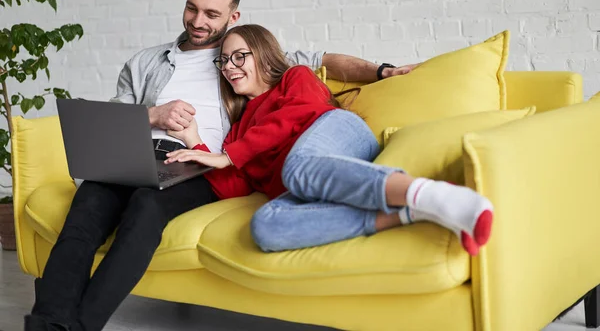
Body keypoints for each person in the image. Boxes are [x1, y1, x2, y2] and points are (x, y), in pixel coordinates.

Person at [25, 0, 419, 331]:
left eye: (212, 14)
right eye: (192, 8)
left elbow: (323, 62)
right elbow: (111, 118)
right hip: (135, 150)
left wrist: (382, 71)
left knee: (146, 207)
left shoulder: (244, 57)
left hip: (196, 164)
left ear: (233, 16)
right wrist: (154, 114)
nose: (198, 22)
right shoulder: (144, 62)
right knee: (85, 214)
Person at [165, 24, 494, 259]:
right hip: (305, 185)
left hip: (340, 134)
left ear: (263, 56)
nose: (229, 67)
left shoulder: (295, 77)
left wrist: (230, 154)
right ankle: (413, 212)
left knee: (297, 168)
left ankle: (434, 192)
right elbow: (233, 187)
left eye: (240, 57)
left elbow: (300, 113)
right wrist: (196, 142)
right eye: (223, 60)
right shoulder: (238, 130)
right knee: (266, 227)